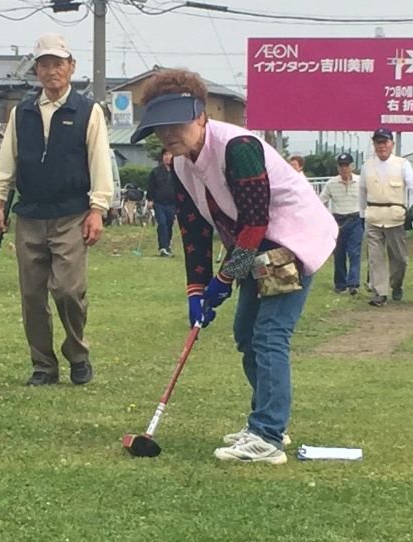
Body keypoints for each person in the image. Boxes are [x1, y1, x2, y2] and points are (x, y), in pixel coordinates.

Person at [130, 70, 336, 464]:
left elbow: (256, 222)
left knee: (269, 333)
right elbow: (192, 232)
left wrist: (224, 280)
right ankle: (267, 419)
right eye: (160, 129)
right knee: (245, 333)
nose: (169, 134)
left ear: (201, 115)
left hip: (291, 240)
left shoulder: (238, 147)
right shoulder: (178, 165)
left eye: (177, 123)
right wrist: (197, 290)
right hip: (254, 246)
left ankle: (268, 436)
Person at [0, 34, 112, 386]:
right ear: (36, 70)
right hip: (29, 214)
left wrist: (97, 208)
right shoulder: (22, 112)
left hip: (71, 213)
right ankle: (43, 365)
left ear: (71, 67)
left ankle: (77, 354)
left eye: (58, 63)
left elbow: (100, 163)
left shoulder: (88, 111)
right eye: (44, 64)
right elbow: (6, 162)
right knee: (32, 295)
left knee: (68, 290)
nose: (51, 71)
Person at [358, 127, 413, 307]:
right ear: (374, 145)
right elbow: (362, 192)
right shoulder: (367, 166)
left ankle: (396, 283)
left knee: (399, 258)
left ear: (392, 144)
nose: (381, 146)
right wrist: (362, 215)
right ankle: (380, 293)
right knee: (375, 257)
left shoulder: (402, 164)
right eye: (378, 142)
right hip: (374, 216)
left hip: (395, 216)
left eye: (384, 142)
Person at [319, 153, 363, 295]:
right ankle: (340, 283)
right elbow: (321, 201)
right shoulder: (332, 183)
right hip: (338, 221)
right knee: (339, 253)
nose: (344, 169)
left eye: (346, 165)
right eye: (341, 166)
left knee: (354, 252)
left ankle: (353, 283)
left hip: (355, 220)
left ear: (352, 166)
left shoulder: (361, 182)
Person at [146, 149, 176, 257]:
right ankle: (163, 247)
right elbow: (151, 187)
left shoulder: (176, 172)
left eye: (170, 154)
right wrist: (150, 200)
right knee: (162, 223)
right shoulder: (156, 172)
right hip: (159, 203)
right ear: (162, 157)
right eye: (166, 155)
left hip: (172, 203)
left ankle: (167, 245)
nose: (168, 157)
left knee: (169, 224)